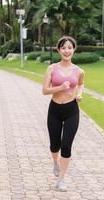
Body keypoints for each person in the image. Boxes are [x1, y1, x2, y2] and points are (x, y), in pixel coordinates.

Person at [42, 36, 85, 191]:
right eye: (64, 48)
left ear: (74, 49)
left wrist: (79, 94)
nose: (67, 51)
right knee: (55, 145)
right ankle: (55, 162)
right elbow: (45, 90)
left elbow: (80, 83)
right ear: (59, 50)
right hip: (54, 110)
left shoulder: (79, 70)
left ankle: (61, 179)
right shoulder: (51, 68)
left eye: (70, 47)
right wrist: (60, 87)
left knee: (66, 145)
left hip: (72, 110)